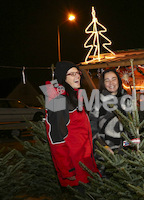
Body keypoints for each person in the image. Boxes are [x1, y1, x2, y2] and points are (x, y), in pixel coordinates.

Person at [45, 61, 100, 191]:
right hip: (75, 168)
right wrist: (67, 170)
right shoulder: (57, 100)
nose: (77, 76)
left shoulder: (74, 96)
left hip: (85, 163)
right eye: (71, 74)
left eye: (78, 73)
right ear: (62, 77)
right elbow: (56, 137)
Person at [89, 69, 128, 154]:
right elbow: (92, 127)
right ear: (103, 83)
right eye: (107, 80)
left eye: (114, 79)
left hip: (126, 151)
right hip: (106, 153)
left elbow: (133, 124)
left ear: (118, 81)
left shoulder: (127, 99)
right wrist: (102, 146)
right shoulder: (98, 101)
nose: (111, 83)